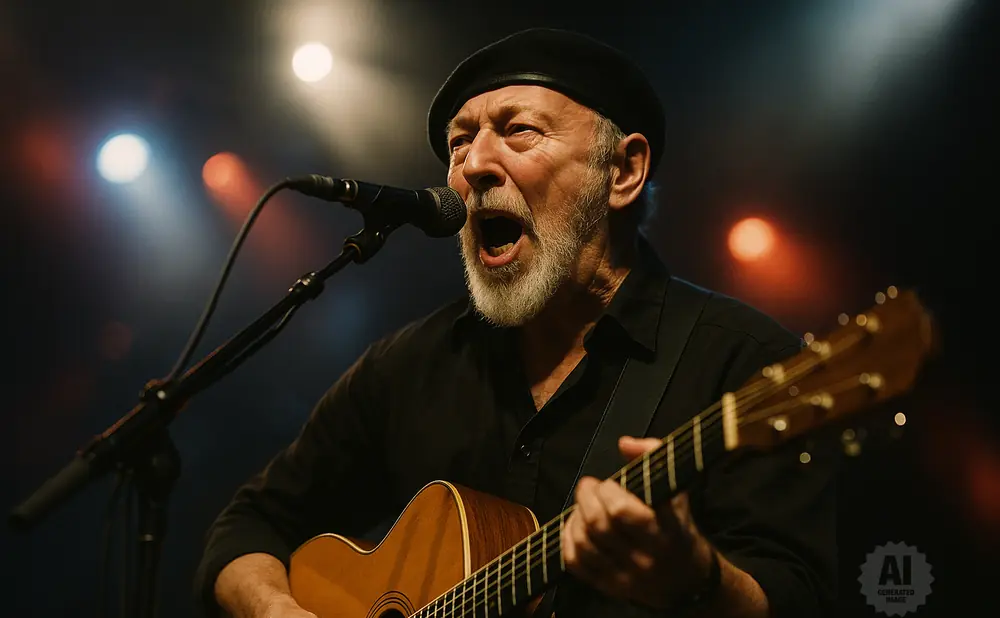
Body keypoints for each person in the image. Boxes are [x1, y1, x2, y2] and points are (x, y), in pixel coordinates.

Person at [194, 28, 837, 618]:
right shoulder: (409, 367)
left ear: (623, 171)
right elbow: (247, 527)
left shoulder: (743, 361)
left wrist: (695, 577)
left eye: (519, 130)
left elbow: (799, 595)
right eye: (459, 142)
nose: (473, 165)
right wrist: (276, 610)